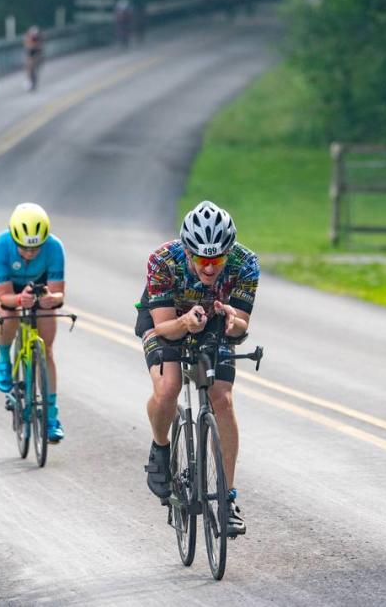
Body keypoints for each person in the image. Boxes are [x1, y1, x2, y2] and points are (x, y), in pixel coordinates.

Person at [136, 200, 259, 536]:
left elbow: (241, 326)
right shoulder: (162, 260)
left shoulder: (245, 263)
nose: (209, 268)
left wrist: (232, 321)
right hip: (166, 319)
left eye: (217, 259)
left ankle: (228, 498)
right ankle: (161, 447)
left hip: (215, 322)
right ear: (187, 251)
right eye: (202, 259)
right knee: (169, 386)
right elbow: (163, 329)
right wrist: (186, 322)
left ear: (228, 252)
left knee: (223, 398)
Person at [0, 203, 67, 443]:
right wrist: (21, 299)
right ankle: (4, 358)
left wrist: (49, 300)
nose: (30, 253)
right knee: (8, 314)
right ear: (14, 238)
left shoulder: (54, 247)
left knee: (48, 349)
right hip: (8, 287)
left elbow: (58, 294)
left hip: (39, 286)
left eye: (36, 248)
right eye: (24, 248)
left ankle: (52, 417)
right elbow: (4, 297)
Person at [22, 25, 44, 91]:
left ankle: (34, 79)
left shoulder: (39, 38)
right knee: (28, 66)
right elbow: (27, 46)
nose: (33, 37)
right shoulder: (27, 37)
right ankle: (29, 80)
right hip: (30, 52)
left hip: (37, 53)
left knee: (36, 65)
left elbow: (40, 48)